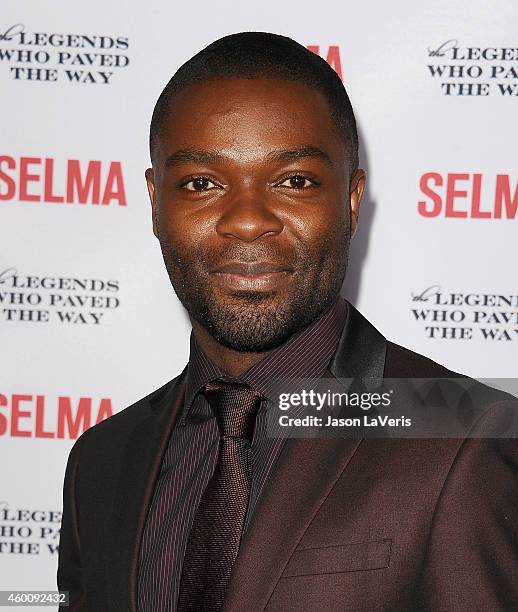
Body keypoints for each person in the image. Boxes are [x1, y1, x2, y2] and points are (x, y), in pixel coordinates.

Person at [57, 32, 518, 611]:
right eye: (202, 183)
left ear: (351, 201)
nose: (247, 221)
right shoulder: (101, 461)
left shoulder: (466, 442)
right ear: (155, 204)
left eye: (293, 180)